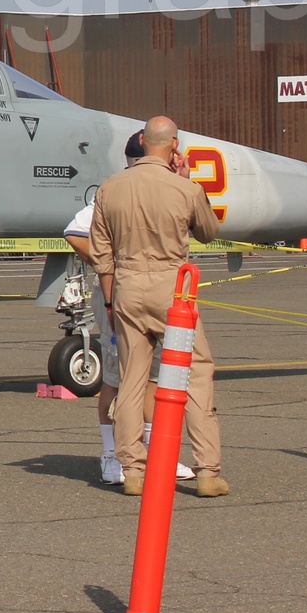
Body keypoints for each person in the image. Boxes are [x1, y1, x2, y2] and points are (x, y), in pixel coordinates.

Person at [90, 115, 227, 498]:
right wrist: (186, 183)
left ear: (143, 142)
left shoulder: (109, 188)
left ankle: (132, 470)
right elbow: (208, 231)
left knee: (132, 379)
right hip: (172, 286)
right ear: (174, 145)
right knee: (196, 374)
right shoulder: (183, 188)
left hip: (128, 286)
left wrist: (110, 300)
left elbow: (101, 254)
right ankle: (206, 471)